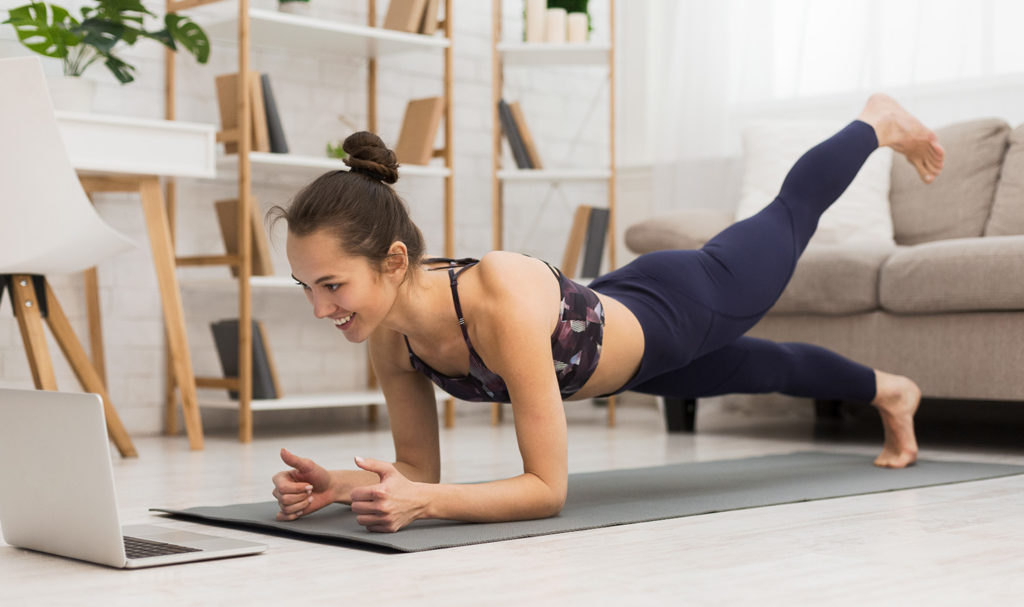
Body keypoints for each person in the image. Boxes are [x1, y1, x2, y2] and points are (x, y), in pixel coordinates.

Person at [269, 93, 945, 533]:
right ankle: (892, 389)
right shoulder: (392, 337)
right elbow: (417, 469)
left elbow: (546, 488)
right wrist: (340, 485)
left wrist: (428, 504)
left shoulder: (493, 297)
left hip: (685, 301)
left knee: (788, 215)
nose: (320, 307)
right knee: (768, 366)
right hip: (631, 342)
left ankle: (875, 121)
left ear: (391, 262)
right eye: (306, 287)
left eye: (332, 284)